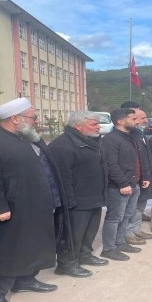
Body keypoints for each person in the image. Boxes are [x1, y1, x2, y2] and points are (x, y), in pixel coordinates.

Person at [0, 98, 77, 302]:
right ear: (15, 119)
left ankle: (25, 279)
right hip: (8, 208)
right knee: (2, 250)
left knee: (30, 245)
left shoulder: (27, 138)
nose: (36, 121)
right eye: (32, 117)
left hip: (34, 205)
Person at [49, 111, 109, 275]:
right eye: (93, 124)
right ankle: (66, 263)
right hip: (76, 200)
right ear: (78, 126)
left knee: (89, 230)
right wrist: (68, 201)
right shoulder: (62, 145)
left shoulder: (92, 141)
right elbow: (63, 177)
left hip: (94, 196)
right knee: (72, 234)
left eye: (98, 123)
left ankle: (85, 254)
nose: (98, 127)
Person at [100, 108, 146, 260]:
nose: (137, 121)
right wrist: (122, 183)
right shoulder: (111, 139)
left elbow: (136, 160)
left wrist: (141, 178)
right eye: (133, 119)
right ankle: (108, 248)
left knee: (127, 216)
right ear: (120, 121)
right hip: (119, 187)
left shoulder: (130, 137)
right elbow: (111, 164)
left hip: (134, 183)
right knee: (114, 217)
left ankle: (120, 243)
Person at [121, 102, 152, 245]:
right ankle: (128, 233)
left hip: (143, 177)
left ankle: (136, 229)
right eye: (140, 118)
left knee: (140, 206)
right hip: (131, 179)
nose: (144, 120)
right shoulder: (126, 135)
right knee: (130, 209)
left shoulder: (139, 133)